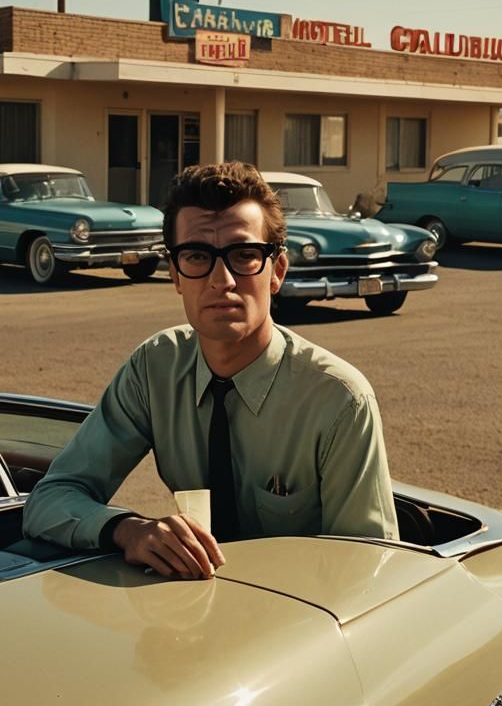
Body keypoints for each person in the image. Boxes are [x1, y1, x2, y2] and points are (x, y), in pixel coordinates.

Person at [22, 162, 399, 578]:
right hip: (192, 617)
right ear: (176, 275)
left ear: (277, 272)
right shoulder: (156, 368)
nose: (222, 280)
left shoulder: (338, 400)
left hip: (298, 622)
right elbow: (50, 500)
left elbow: (367, 571)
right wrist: (127, 529)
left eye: (243, 256)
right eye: (198, 256)